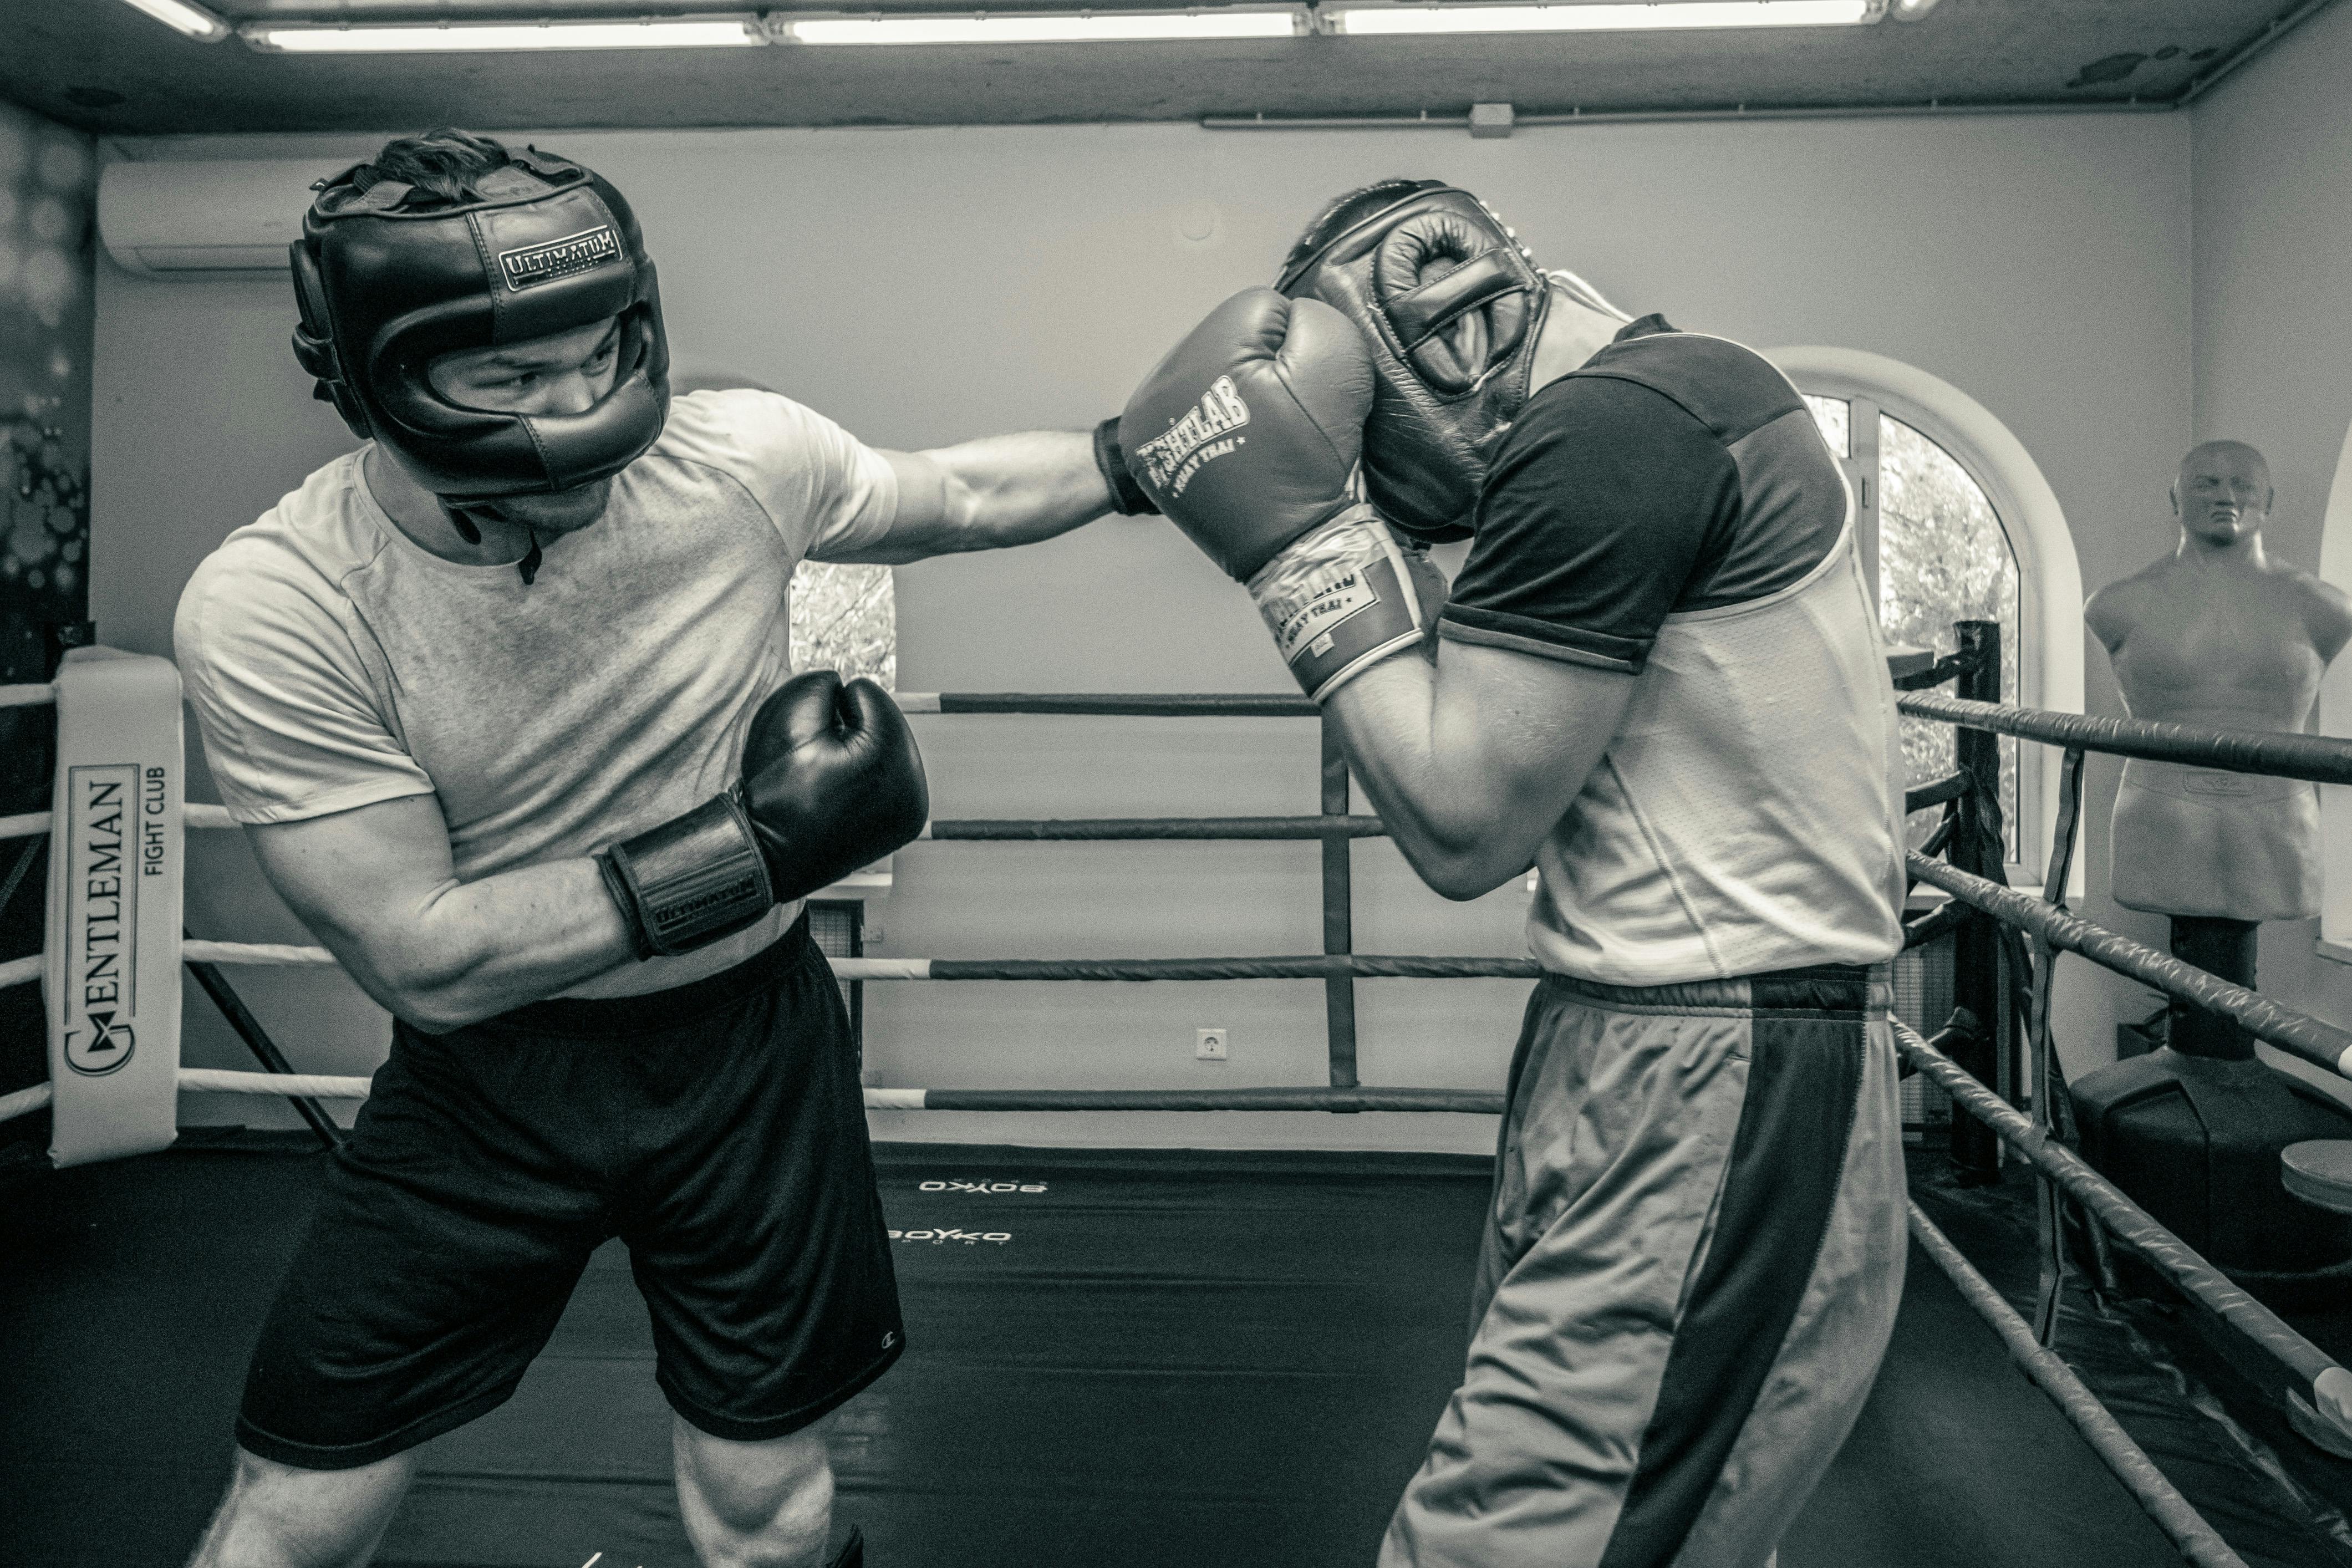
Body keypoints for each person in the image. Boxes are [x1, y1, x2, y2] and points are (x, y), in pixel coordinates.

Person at [174, 129, 1153, 1568]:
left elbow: (962, 493)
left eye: (591, 355)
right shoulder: (284, 604)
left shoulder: (736, 457)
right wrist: (753, 844)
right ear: (374, 374)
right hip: (491, 1082)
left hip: (751, 1052)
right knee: (298, 1501)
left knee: (767, 1503)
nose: (568, 411)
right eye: (502, 378)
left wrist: (1152, 454)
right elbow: (421, 952)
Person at [1121, 180, 1911, 1567]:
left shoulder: (1620, 428)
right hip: (1646, 1046)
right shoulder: (1657, 408)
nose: (1373, 486)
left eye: (1358, 432)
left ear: (1441, 331)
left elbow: (1464, 823)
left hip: (1713, 1070)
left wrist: (1302, 547)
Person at [2085, 440, 2352, 1047]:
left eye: (2242, 483)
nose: (2226, 495)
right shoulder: (2118, 604)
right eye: (2206, 482)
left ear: (2270, 500)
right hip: (2161, 817)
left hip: (2277, 825)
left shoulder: (2324, 608)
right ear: (2175, 498)